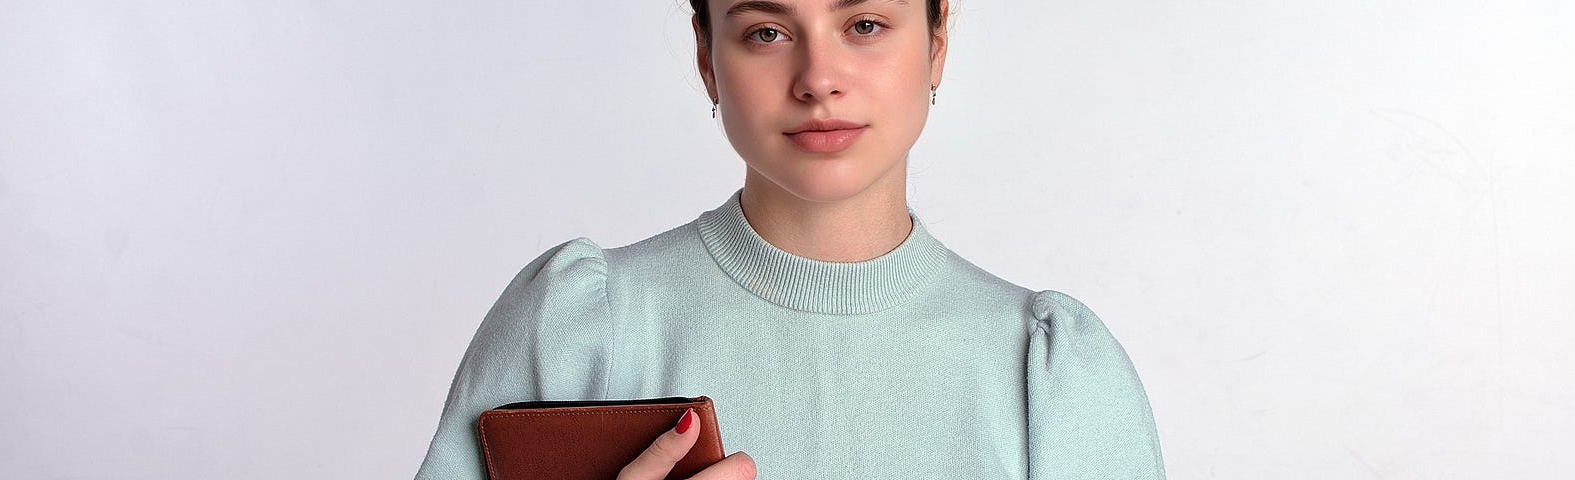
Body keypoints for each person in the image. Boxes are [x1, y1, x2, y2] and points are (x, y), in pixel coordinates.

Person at [415, 0, 1166, 478]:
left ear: (938, 40)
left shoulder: (1050, 376)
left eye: (863, 24)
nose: (818, 77)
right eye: (766, 32)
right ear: (708, 59)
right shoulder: (579, 326)